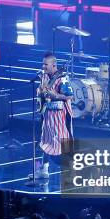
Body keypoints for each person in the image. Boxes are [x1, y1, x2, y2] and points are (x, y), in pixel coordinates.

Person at [27, 52, 73, 183]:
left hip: (59, 116)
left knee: (59, 144)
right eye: (43, 64)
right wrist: (41, 91)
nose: (43, 67)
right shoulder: (44, 76)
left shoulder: (62, 78)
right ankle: (44, 170)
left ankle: (70, 170)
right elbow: (42, 92)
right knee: (45, 141)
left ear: (54, 65)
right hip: (47, 114)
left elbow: (69, 96)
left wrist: (56, 95)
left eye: (45, 64)